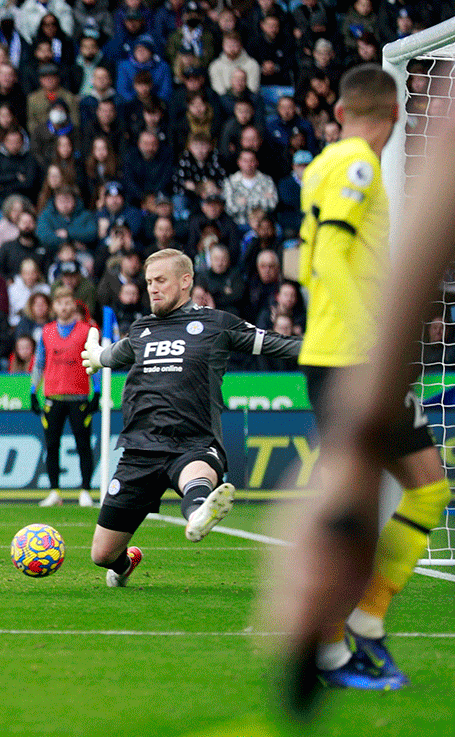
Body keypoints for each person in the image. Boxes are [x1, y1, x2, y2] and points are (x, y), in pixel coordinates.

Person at [280, 65, 453, 702]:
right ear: (396, 116)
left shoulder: (325, 162)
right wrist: (377, 347)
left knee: (420, 489)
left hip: (337, 350)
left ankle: (361, 622)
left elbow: (310, 266)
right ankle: (333, 642)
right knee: (378, 496)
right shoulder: (356, 163)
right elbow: (327, 255)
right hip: (352, 357)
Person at [80, 248, 299, 587]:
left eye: (161, 281)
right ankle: (126, 564)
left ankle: (199, 511)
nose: (152, 288)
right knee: (102, 555)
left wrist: (334, 352)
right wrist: (96, 357)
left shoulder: (217, 324)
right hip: (139, 450)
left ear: (185, 281)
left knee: (197, 473)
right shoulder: (142, 329)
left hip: (192, 441)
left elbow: (277, 344)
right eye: (149, 281)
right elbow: (113, 354)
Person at [32, 286, 96, 509]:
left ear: (74, 304)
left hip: (78, 396)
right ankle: (54, 491)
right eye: (60, 303)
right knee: (51, 445)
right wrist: (33, 391)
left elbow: (93, 361)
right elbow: (40, 362)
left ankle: (85, 490)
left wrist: (96, 392)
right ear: (54, 306)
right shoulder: (47, 332)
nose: (64, 307)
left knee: (83, 445)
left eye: (68, 302)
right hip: (53, 396)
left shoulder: (86, 330)